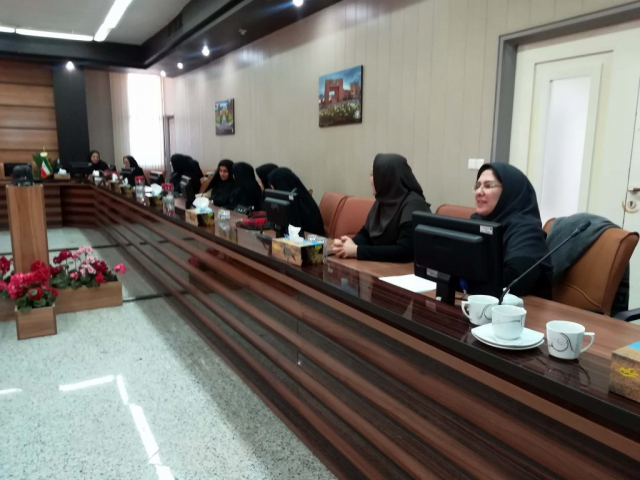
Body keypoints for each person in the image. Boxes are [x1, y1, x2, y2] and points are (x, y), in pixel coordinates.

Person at [470, 163, 552, 299]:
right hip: (480, 303)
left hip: (526, 308)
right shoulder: (477, 221)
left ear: (509, 191)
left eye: (488, 185)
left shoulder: (527, 230)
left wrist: (463, 278)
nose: (479, 192)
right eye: (477, 186)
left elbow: (513, 281)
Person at [333, 154, 431, 262]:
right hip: (383, 268)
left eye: (374, 175)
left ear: (388, 177)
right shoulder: (383, 200)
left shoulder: (414, 204)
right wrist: (348, 245)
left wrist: (357, 250)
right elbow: (366, 234)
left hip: (405, 270)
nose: (370, 180)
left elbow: (404, 251)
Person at [267, 167, 325, 236]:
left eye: (274, 186)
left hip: (311, 240)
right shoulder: (298, 197)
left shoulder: (300, 204)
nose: (273, 190)